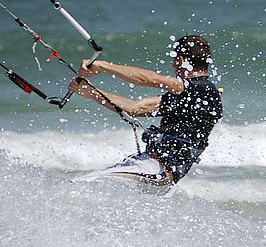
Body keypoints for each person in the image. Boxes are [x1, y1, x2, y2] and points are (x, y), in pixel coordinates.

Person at [68, 34, 223, 186]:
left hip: (157, 171)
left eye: (174, 61)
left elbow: (151, 79)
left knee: (79, 186)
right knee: (79, 186)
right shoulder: (191, 97)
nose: (173, 66)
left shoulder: (203, 88)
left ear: (180, 59)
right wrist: (90, 92)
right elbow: (134, 109)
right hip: (154, 172)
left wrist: (103, 66)